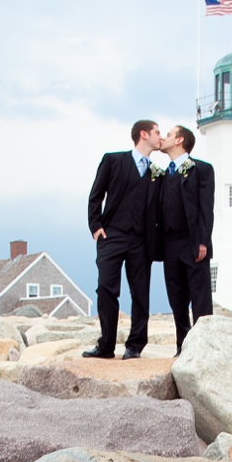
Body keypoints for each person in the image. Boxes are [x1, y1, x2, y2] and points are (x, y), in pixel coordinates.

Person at [85, 119, 163, 359]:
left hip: (141, 241)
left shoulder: (156, 172)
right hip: (112, 236)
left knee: (141, 293)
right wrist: (96, 227)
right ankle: (106, 345)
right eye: (157, 132)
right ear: (143, 134)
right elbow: (96, 195)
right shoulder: (113, 160)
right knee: (106, 289)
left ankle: (135, 346)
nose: (160, 137)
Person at [155, 125, 215, 354]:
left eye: (168, 134)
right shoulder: (162, 174)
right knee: (176, 297)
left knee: (200, 298)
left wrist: (203, 241)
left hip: (193, 242)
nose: (163, 137)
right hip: (169, 244)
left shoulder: (202, 170)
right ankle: (182, 346)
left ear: (179, 140)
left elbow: (205, 209)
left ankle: (204, 347)